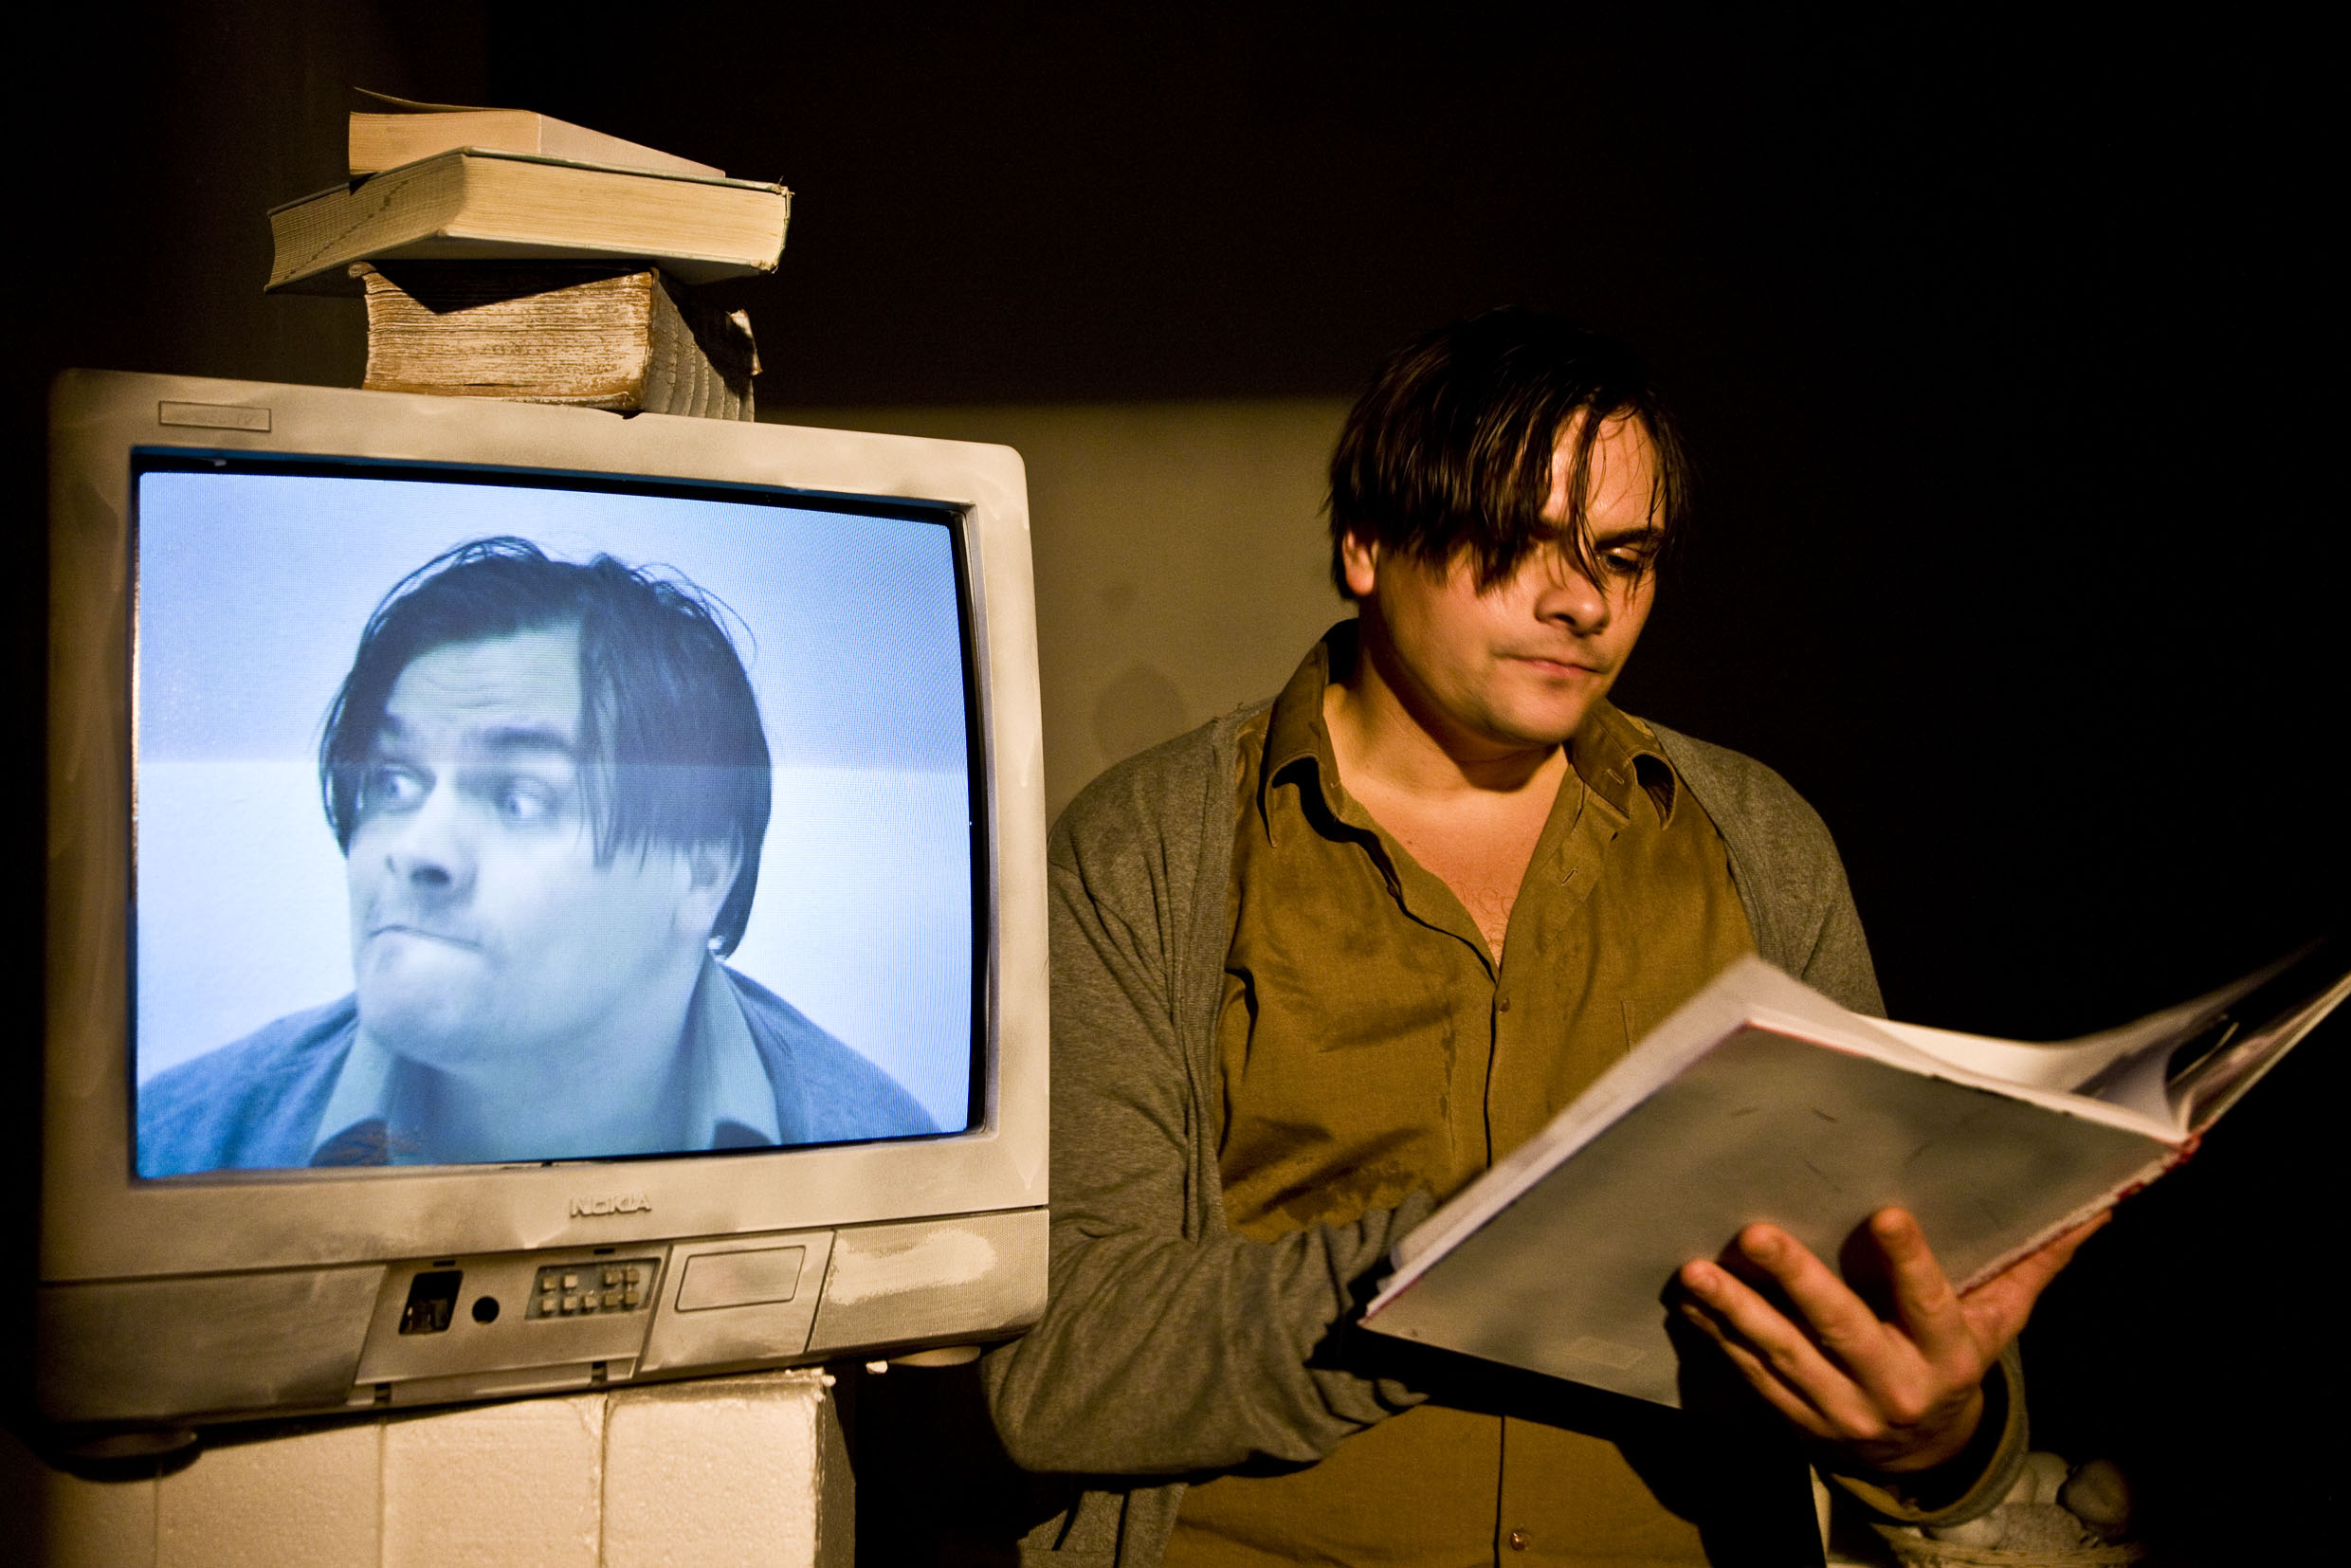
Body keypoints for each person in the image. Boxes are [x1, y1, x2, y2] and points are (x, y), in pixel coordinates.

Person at [979, 310, 2098, 1564]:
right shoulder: (1153, 846)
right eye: (1516, 542)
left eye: (1623, 556)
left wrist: (1935, 1435)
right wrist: (1473, 1261)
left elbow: (1885, 1299)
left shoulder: (1759, 843)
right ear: (1366, 542)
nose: (1581, 601)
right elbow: (1063, 1361)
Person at [138, 537, 935, 1175]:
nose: (415, 852)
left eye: (519, 797)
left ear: (702, 871)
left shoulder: (883, 1157)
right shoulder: (178, 1145)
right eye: (394, 783)